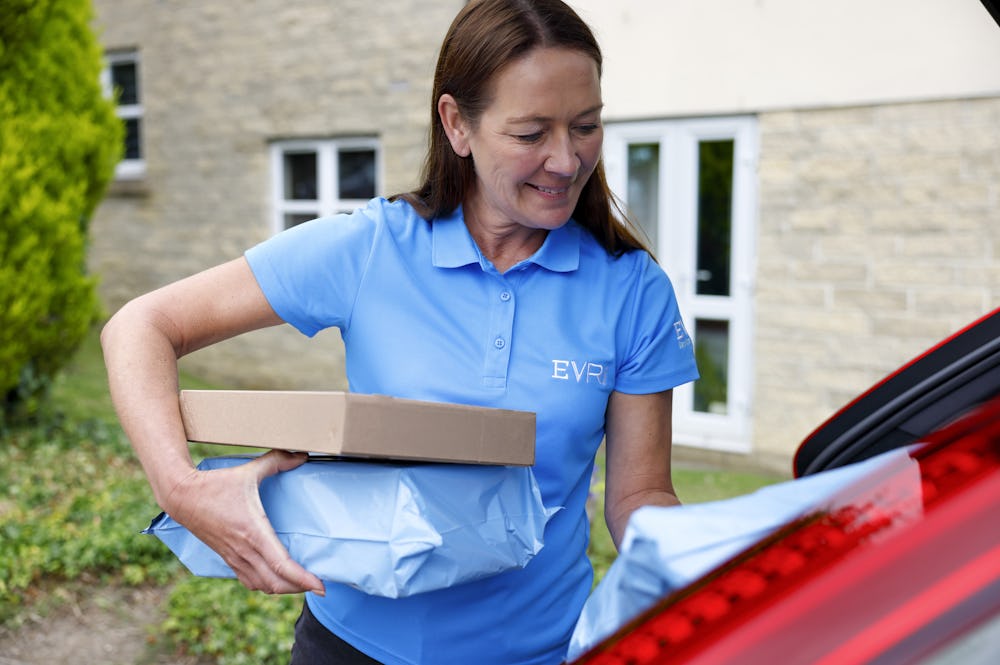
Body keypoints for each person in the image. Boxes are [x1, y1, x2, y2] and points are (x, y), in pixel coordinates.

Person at [101, 0, 699, 663]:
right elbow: (140, 327)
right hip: (350, 646)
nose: (566, 159)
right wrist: (182, 491)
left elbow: (639, 493)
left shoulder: (632, 289)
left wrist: (724, 558)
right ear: (457, 125)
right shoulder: (371, 249)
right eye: (532, 133)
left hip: (538, 651)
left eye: (586, 126)